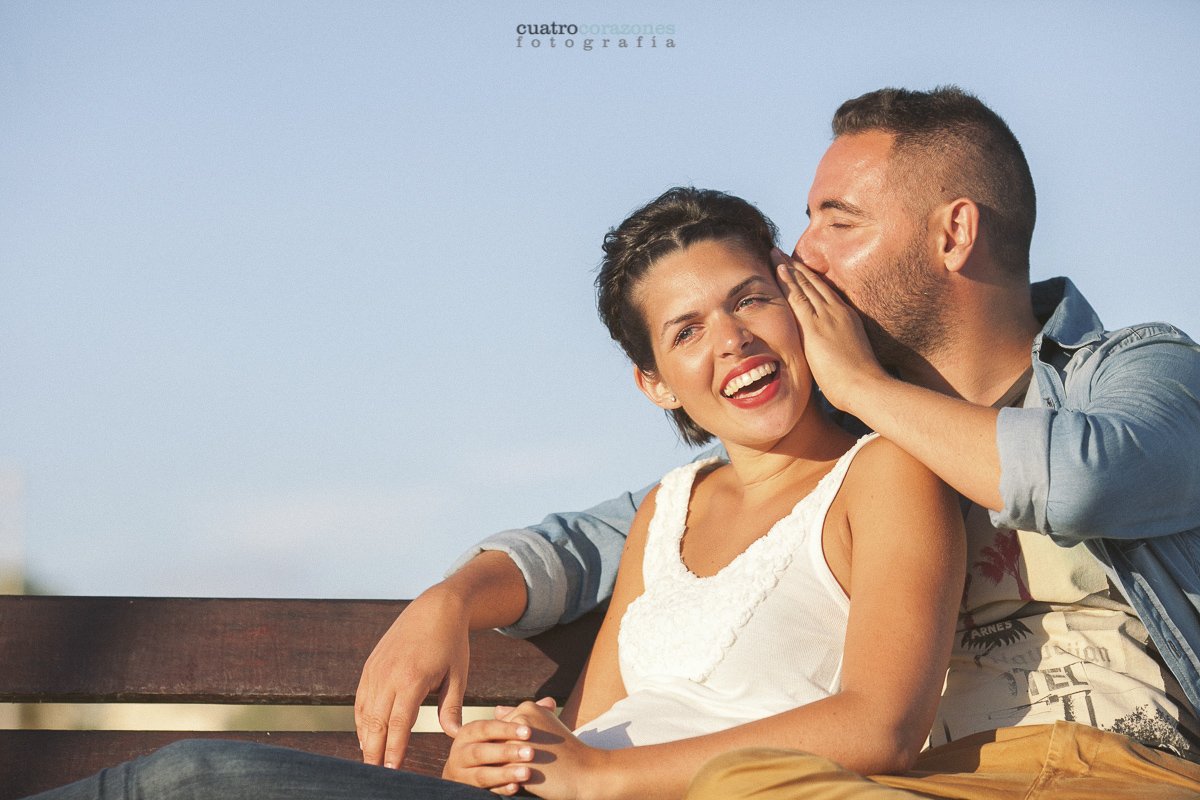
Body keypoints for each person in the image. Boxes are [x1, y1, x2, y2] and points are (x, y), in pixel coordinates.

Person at [357, 87, 1200, 798]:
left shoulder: (1137, 371)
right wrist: (456, 597)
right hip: (939, 781)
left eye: (838, 220)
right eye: (806, 222)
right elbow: (603, 542)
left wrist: (863, 385)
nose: (805, 255)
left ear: (953, 234)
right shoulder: (841, 447)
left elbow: (1091, 477)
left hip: (1121, 764)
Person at [24, 189, 964, 800]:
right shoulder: (666, 508)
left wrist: (604, 778)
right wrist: (513, 751)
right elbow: (587, 726)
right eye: (685, 332)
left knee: (192, 781)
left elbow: (880, 723)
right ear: (656, 383)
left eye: (750, 299)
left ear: (799, 302)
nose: (731, 342)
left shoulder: (883, 473)